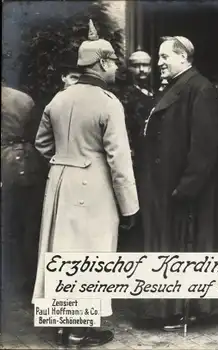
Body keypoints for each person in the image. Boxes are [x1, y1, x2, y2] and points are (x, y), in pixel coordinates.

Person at [31, 20, 139, 347]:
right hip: (94, 188)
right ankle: (79, 332)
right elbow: (120, 161)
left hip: (59, 184)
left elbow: (42, 144)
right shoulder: (108, 103)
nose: (116, 67)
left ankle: (63, 328)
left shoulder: (59, 99)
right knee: (91, 256)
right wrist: (129, 207)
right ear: (101, 63)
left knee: (61, 253)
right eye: (113, 62)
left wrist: (64, 158)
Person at [138, 36, 218, 330]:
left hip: (186, 192)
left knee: (183, 248)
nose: (159, 62)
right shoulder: (180, 86)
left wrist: (186, 189)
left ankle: (184, 311)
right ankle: (170, 309)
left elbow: (205, 145)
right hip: (167, 186)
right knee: (168, 247)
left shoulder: (199, 88)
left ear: (183, 57)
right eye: (159, 56)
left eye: (165, 56)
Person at [1, 85, 47, 300]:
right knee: (28, 225)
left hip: (6, 162)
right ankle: (28, 280)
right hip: (28, 164)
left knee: (11, 226)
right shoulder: (24, 99)